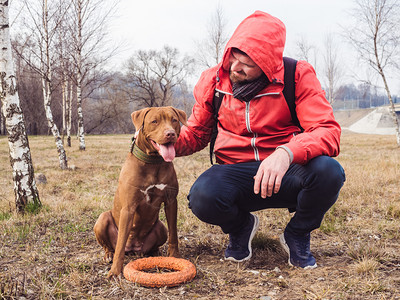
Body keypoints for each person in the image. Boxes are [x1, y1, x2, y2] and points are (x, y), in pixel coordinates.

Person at [174, 10, 345, 269]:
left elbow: (327, 129)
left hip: (286, 172)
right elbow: (197, 133)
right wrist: (165, 142)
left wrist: (286, 153)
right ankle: (241, 226)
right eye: (233, 57)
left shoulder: (296, 75)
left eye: (247, 64)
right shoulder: (213, 80)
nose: (235, 67)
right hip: (235, 172)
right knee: (202, 196)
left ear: (267, 65)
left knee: (329, 171)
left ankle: (297, 233)